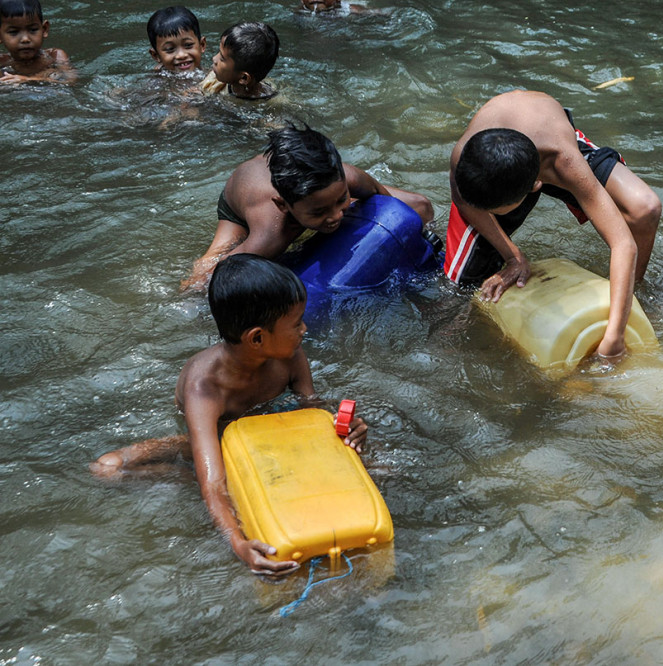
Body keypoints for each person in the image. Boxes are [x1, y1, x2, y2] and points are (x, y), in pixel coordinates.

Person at [92, 254, 369, 577]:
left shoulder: (290, 354)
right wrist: (238, 543)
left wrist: (343, 428)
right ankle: (178, 473)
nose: (304, 329)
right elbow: (213, 482)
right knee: (107, 468)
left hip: (269, 431)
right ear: (257, 338)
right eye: (296, 324)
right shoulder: (205, 388)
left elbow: (311, 410)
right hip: (218, 438)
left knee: (378, 466)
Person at [444, 90, 661, 361]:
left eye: (494, 210)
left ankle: (631, 295)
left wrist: (615, 336)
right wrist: (513, 256)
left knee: (645, 208)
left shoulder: (565, 163)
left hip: (552, 136)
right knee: (457, 290)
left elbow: (623, 243)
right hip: (502, 157)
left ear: (536, 187)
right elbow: (466, 203)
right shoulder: (465, 158)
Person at [182, 123, 433, 291]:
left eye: (341, 200)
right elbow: (220, 275)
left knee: (420, 206)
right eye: (319, 212)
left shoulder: (351, 178)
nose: (335, 217)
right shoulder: (271, 234)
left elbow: (388, 208)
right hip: (240, 204)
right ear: (283, 206)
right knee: (206, 269)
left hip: (305, 187)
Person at [0, 0, 75, 85]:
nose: (25, 39)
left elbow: (71, 80)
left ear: (44, 29)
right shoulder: (2, 62)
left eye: (32, 30)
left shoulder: (55, 56)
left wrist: (28, 80)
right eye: (14, 32)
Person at [199, 21, 279, 100]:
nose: (214, 58)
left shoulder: (271, 104)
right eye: (219, 52)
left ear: (243, 78)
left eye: (222, 58)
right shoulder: (214, 81)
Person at [147, 6, 206, 75]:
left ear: (202, 45)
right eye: (170, 49)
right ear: (156, 56)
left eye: (188, 45)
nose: (181, 55)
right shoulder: (155, 83)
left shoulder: (213, 75)